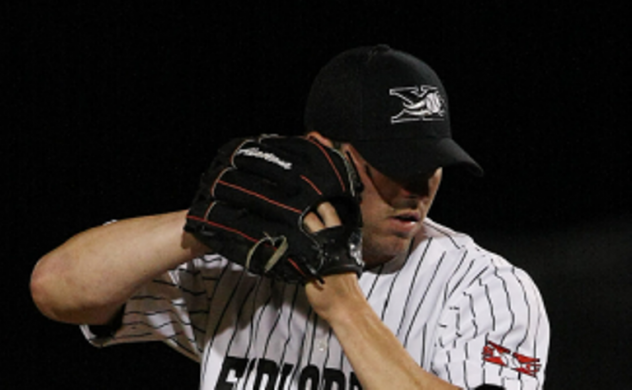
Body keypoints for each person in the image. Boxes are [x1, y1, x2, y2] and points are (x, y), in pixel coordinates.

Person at [30, 45, 549, 390]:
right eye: (394, 164)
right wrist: (210, 222)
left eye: (432, 163)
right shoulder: (244, 259)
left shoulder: (485, 288)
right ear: (325, 153)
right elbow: (58, 290)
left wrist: (346, 307)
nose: (418, 186)